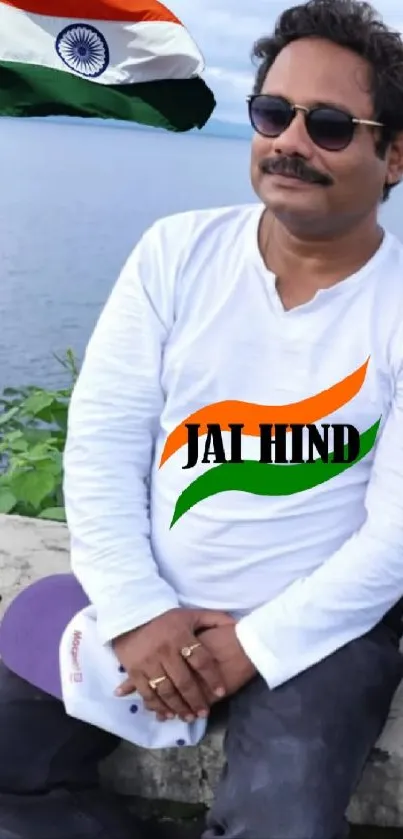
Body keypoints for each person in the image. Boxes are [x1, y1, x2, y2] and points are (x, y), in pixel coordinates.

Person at [2, 0, 403, 836]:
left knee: (281, 818)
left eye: (329, 124)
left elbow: (393, 539)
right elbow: (103, 446)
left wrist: (247, 647)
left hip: (317, 632)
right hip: (149, 600)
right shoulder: (175, 254)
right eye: (271, 112)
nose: (289, 140)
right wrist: (140, 612)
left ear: (393, 154)